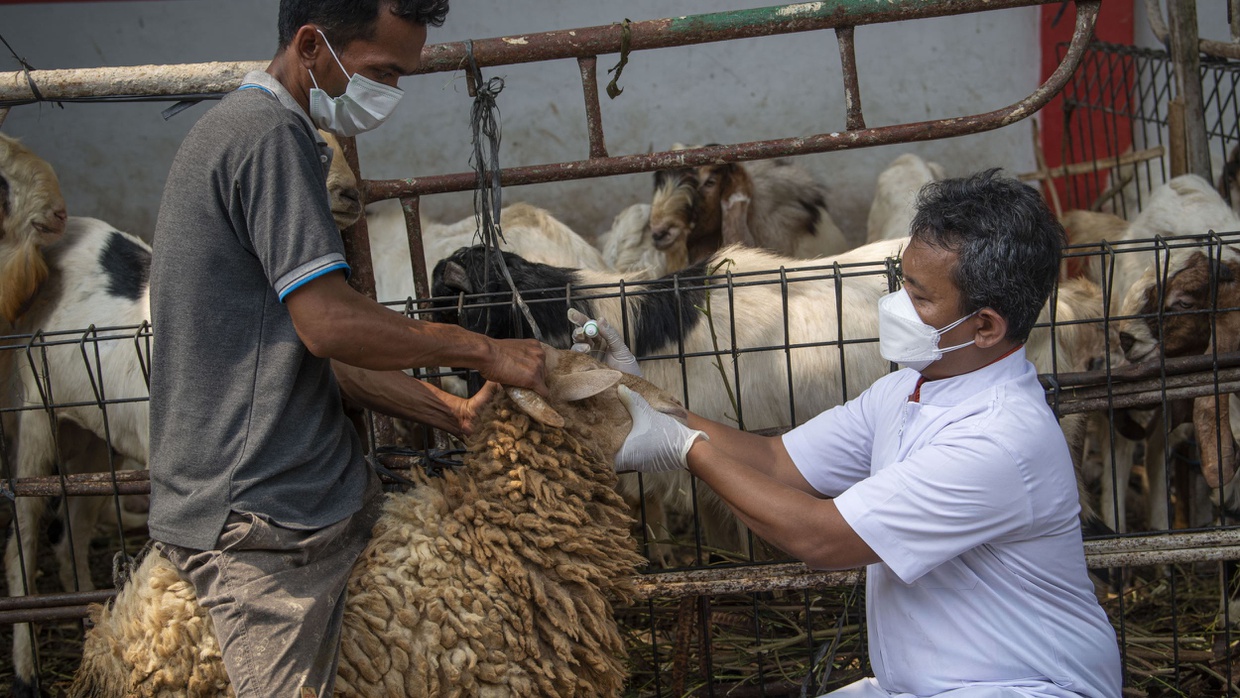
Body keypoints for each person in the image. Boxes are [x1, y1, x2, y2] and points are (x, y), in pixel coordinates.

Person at [580, 169, 1122, 697]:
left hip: (1026, 687)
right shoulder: (907, 390)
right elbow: (775, 460)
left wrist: (687, 450)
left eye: (920, 297)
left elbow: (821, 537)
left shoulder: (999, 440)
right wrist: (649, 398)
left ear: (984, 326)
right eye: (902, 283)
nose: (895, 306)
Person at [146, 1, 548, 695]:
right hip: (260, 518)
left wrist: (445, 411)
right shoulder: (266, 139)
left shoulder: (265, 132)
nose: (390, 92)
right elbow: (328, 325)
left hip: (307, 489)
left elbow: (301, 355)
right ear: (311, 45)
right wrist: (485, 350)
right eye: (382, 71)